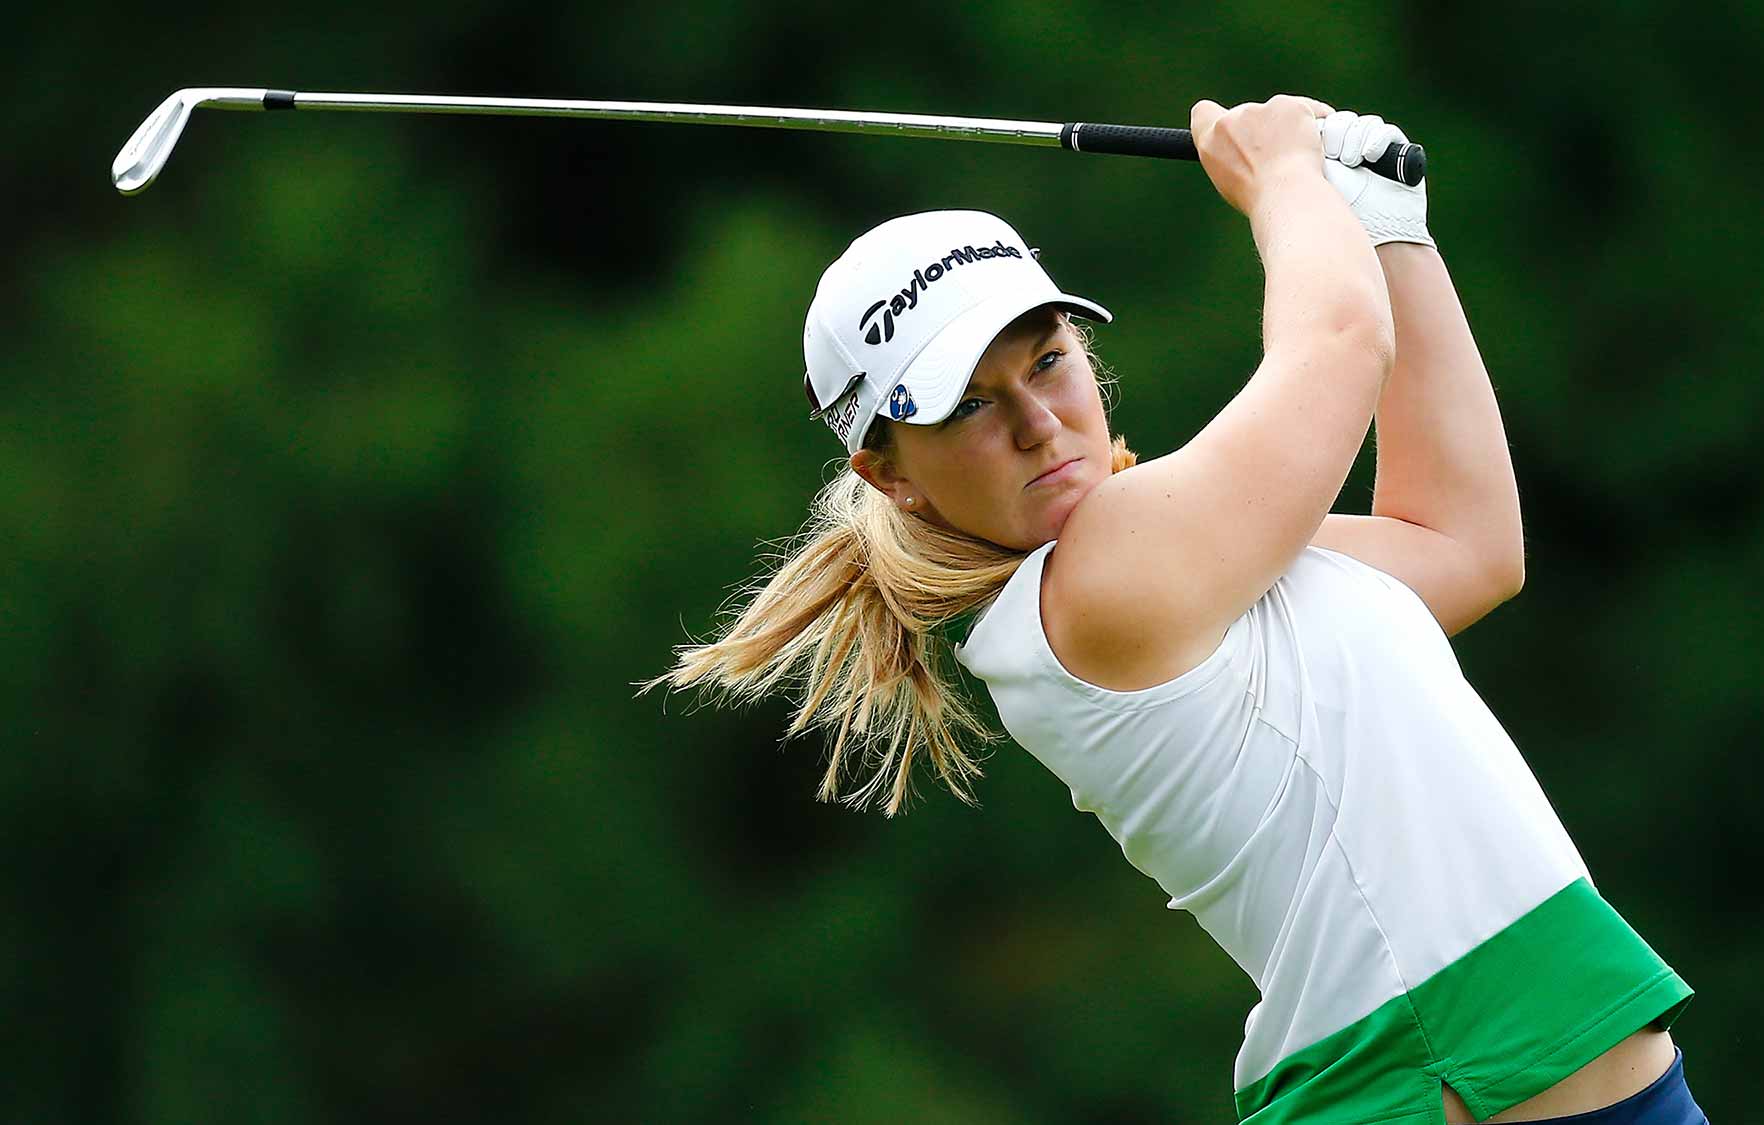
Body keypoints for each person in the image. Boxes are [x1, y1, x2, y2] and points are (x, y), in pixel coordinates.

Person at [648, 95, 1708, 1124]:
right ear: (891, 476)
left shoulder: (1180, 558)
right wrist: (1281, 176)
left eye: (1048, 361)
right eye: (968, 405)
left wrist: (1387, 231)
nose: (1034, 422)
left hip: (1558, 1085)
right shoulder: (1101, 583)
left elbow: (1462, 548)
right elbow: (1336, 344)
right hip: (1436, 1082)